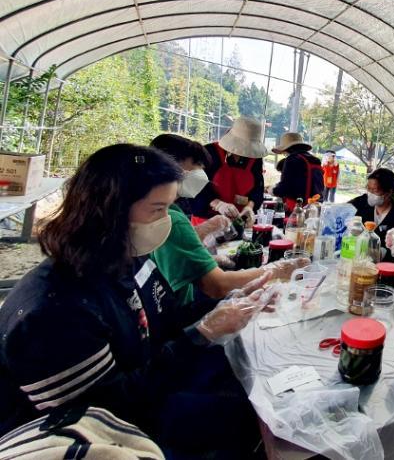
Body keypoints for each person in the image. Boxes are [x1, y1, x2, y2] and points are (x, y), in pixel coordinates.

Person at [0, 144, 274, 458]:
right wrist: (203, 333)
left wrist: (230, 303)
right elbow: (110, 406)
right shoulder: (53, 312)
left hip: (147, 381)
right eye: (157, 210)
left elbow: (165, 318)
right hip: (106, 430)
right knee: (243, 417)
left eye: (170, 208)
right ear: (111, 209)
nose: (167, 221)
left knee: (248, 377)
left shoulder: (127, 259)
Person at [150, 134, 308, 305]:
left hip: (175, 293)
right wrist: (277, 270)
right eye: (194, 167)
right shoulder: (172, 218)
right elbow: (218, 285)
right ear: (170, 168)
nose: (200, 174)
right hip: (180, 306)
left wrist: (248, 207)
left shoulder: (169, 211)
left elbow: (176, 248)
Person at [191, 116, 266, 225]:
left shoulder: (254, 158)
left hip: (238, 221)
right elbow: (195, 185)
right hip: (207, 220)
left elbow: (258, 189)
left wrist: (249, 207)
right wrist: (218, 204)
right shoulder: (210, 152)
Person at [349, 168, 394, 270]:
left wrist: (374, 253)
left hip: (389, 268)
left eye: (375, 190)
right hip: (363, 264)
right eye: (368, 189)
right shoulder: (362, 202)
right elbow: (342, 210)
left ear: (388, 192)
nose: (370, 193)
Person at [271, 132, 324, 212]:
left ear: (286, 149)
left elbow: (284, 188)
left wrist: (272, 190)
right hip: (315, 208)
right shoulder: (314, 160)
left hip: (298, 209)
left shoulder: (292, 159)